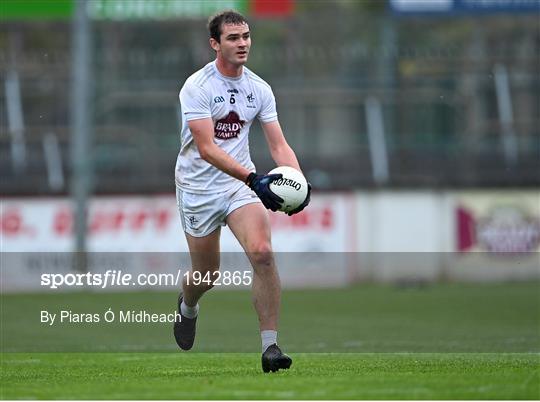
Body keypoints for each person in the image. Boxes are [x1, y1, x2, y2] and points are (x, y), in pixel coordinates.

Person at [173, 9, 310, 373]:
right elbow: (207, 148)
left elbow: (278, 145)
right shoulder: (197, 87)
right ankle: (187, 306)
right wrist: (254, 178)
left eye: (246, 36)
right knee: (206, 276)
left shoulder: (259, 88)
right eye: (233, 38)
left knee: (263, 254)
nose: (243, 43)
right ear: (215, 44)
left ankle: (271, 347)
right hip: (199, 188)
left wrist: (298, 181)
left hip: (239, 188)